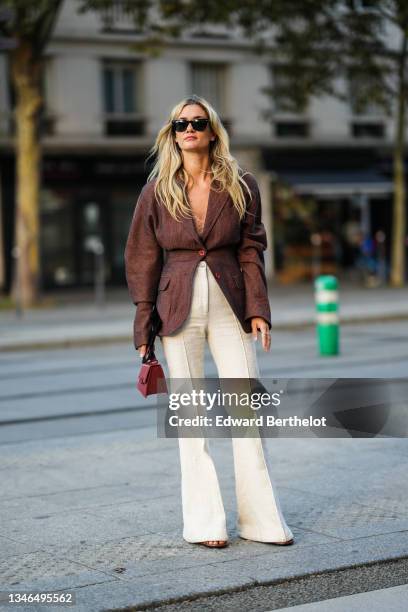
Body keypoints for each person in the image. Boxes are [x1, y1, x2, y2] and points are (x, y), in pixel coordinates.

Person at [124, 94, 294, 549]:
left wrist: (258, 309)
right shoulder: (156, 189)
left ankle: (261, 522)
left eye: (198, 122)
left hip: (231, 305)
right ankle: (204, 523)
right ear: (172, 133)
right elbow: (141, 258)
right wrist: (145, 327)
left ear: (213, 130)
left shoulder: (241, 183)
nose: (189, 129)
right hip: (174, 308)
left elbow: (251, 247)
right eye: (180, 124)